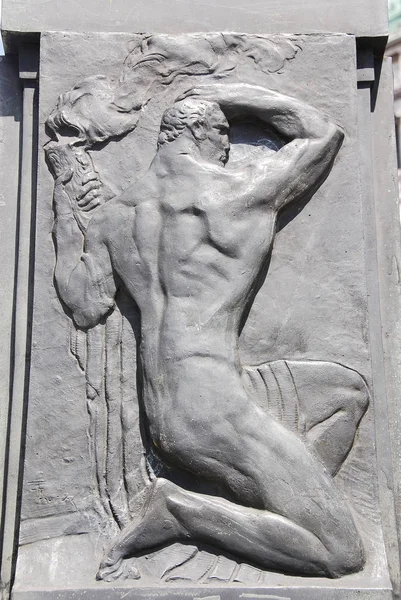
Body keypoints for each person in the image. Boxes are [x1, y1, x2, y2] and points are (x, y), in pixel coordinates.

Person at [52, 83, 367, 581]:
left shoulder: (116, 214)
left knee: (347, 391)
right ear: (200, 130)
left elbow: (85, 306)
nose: (227, 144)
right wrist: (228, 92)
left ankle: (269, 509)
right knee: (341, 554)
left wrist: (67, 215)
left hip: (180, 402)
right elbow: (321, 131)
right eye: (223, 131)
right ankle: (183, 512)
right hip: (216, 410)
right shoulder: (238, 193)